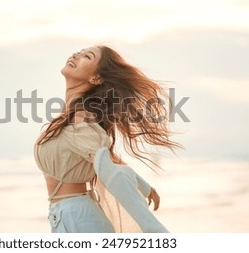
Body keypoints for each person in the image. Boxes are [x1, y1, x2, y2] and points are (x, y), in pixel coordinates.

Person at [33, 45, 182, 233]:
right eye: (79, 51)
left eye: (86, 56)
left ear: (96, 78)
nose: (76, 55)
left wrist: (155, 230)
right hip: (66, 215)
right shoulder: (70, 116)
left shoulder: (81, 118)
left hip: (79, 218)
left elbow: (109, 170)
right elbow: (106, 159)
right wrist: (144, 186)